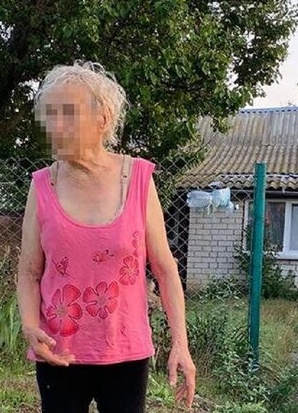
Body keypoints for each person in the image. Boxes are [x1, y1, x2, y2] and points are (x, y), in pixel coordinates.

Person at [16, 61, 196, 413]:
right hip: (58, 353)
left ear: (103, 119)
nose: (55, 126)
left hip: (125, 353)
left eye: (68, 114)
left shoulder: (139, 179)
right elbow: (29, 272)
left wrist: (181, 344)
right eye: (50, 115)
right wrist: (29, 327)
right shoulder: (42, 185)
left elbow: (164, 269)